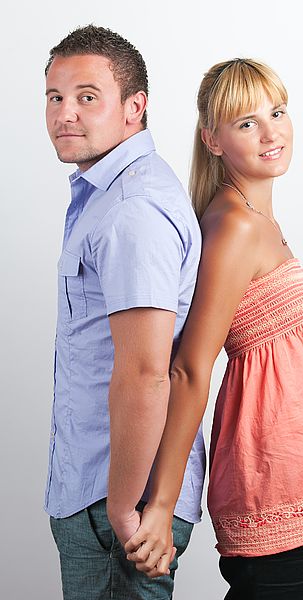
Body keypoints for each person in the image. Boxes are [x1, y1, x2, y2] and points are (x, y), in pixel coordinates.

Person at [124, 59, 303, 599]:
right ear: (212, 139)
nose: (271, 132)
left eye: (278, 111)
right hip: (273, 476)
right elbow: (191, 367)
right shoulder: (236, 226)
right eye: (246, 122)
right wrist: (162, 506)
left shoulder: (258, 216)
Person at [44, 25, 205, 600]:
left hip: (116, 503)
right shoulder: (107, 195)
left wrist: (119, 505)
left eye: (88, 97)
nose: (66, 113)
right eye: (55, 97)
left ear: (135, 108)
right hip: (99, 494)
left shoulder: (132, 208)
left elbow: (145, 373)